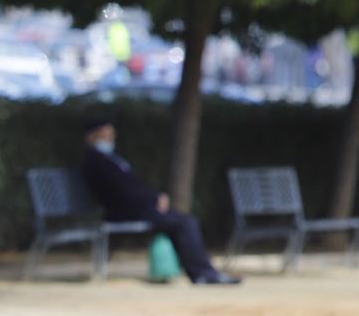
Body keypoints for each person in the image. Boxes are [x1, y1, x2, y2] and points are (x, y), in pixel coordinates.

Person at [78, 114, 241, 285]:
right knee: (184, 223)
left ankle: (203, 272)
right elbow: (120, 191)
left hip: (139, 208)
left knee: (184, 221)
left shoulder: (109, 159)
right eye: (103, 135)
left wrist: (155, 197)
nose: (109, 138)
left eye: (110, 134)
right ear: (90, 137)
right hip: (126, 211)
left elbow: (132, 187)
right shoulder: (95, 161)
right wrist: (153, 199)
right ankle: (202, 273)